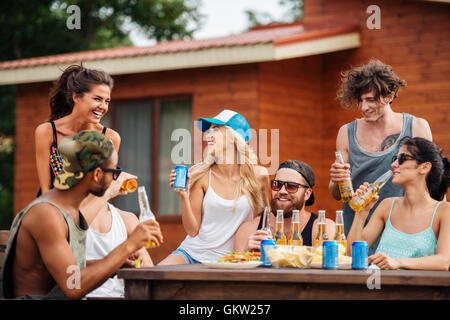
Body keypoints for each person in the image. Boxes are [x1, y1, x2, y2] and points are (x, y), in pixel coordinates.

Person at [0, 131, 163, 299]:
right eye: (114, 173)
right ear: (98, 174)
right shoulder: (47, 214)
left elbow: (66, 270)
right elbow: (74, 286)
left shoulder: (67, 209)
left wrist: (117, 263)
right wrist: (129, 245)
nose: (116, 179)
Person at [329, 59, 432, 254]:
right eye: (359, 100)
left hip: (401, 235)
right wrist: (336, 180)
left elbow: (432, 183)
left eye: (370, 100)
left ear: (389, 95)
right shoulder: (346, 132)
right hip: (357, 235)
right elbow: (338, 194)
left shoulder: (417, 127)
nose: (363, 107)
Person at [159, 109, 270, 264]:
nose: (207, 136)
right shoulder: (201, 175)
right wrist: (183, 197)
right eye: (208, 131)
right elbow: (192, 231)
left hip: (232, 260)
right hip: (191, 254)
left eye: (215, 130)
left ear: (233, 137)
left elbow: (265, 220)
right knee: (154, 277)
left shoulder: (259, 176)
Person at [347, 137, 449, 270]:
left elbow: (443, 261)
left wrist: (398, 262)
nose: (394, 164)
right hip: (375, 285)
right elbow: (352, 255)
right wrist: (361, 214)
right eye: (394, 158)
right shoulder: (387, 206)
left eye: (402, 158)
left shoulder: (444, 211)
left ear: (424, 167)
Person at [34, 64, 121, 197]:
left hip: (91, 211)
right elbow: (46, 191)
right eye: (97, 99)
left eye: (107, 101)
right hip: (51, 207)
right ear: (76, 97)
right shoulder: (47, 132)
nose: (102, 106)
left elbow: (103, 190)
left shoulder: (110, 138)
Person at [234, 160, 335, 251]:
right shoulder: (249, 230)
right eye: (277, 184)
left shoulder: (323, 229)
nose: (282, 191)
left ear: (307, 194)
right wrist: (246, 255)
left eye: (291, 186)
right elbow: (234, 269)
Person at [85, 203, 153, 298]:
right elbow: (64, 271)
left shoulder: (127, 219)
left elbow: (148, 272)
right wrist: (117, 263)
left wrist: (136, 263)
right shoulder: (66, 216)